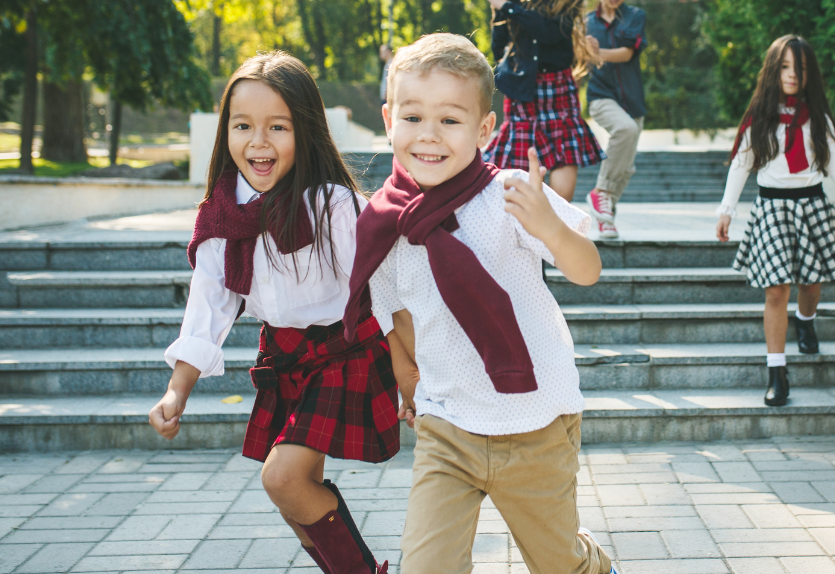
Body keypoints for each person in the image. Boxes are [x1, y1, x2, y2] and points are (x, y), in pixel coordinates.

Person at [345, 33, 616, 574]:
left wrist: (550, 227)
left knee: (557, 564)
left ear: (485, 129)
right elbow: (396, 315)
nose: (429, 135)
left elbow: (588, 271)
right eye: (413, 117)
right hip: (447, 425)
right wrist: (409, 383)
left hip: (535, 420)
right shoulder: (386, 221)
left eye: (450, 119)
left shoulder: (508, 193)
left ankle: (588, 560)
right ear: (389, 119)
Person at [149, 52, 397, 574]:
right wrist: (177, 390)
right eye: (243, 126)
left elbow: (386, 288)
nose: (258, 142)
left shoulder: (331, 205)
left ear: (305, 130)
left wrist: (411, 372)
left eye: (277, 127)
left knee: (282, 479)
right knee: (293, 495)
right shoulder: (223, 216)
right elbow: (209, 302)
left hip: (345, 349)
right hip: (283, 354)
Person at [715, 35, 835, 406]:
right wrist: (726, 210)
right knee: (776, 289)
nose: (793, 75)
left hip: (811, 205)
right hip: (771, 208)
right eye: (785, 67)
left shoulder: (817, 119)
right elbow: (741, 165)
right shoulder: (758, 119)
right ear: (772, 70)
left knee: (811, 284)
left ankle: (806, 320)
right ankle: (777, 373)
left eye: (800, 68)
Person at [479, 0, 604, 203]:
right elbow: (500, 48)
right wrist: (500, 10)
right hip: (522, 91)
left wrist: (506, 6)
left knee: (561, 190)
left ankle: (554, 229)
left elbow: (550, 33)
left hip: (557, 87)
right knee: (519, 183)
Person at [583, 0, 647, 239]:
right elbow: (579, 61)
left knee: (627, 167)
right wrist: (584, 52)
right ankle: (601, 192)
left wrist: (598, 54)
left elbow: (626, 53)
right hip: (601, 97)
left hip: (632, 100)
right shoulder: (586, 23)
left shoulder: (635, 17)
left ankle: (606, 216)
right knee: (626, 129)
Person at [378, 42, 394, 107]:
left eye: (382, 51)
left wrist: (386, 94)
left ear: (388, 51)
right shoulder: (387, 64)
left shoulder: (391, 64)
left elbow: (391, 80)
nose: (380, 53)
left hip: (387, 98)